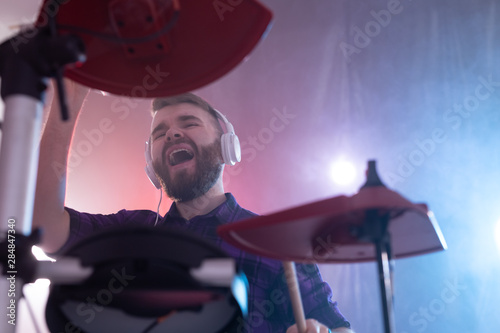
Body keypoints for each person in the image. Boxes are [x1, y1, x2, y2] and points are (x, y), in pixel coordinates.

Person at [33, 80, 354, 333]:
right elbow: (43, 228)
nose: (172, 133)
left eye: (189, 123)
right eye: (160, 133)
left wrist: (320, 331)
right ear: (151, 164)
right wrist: (69, 100)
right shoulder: (133, 232)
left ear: (226, 146)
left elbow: (339, 327)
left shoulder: (275, 243)